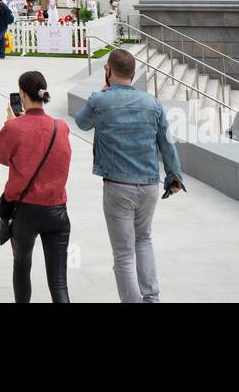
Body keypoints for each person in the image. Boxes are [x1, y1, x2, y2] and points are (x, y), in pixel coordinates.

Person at [73, 49, 183, 302]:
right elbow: (167, 143)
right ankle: (151, 298)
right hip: (148, 185)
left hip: (117, 186)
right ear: (133, 74)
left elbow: (81, 122)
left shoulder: (100, 101)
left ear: (108, 71)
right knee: (144, 240)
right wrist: (173, 176)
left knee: (123, 254)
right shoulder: (153, 103)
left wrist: (102, 91)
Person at [0, 71, 73, 303]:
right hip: (57, 209)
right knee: (59, 282)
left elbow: (1, 157)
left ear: (22, 93)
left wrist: (11, 124)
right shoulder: (62, 127)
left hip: (25, 212)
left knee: (22, 267)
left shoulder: (15, 128)